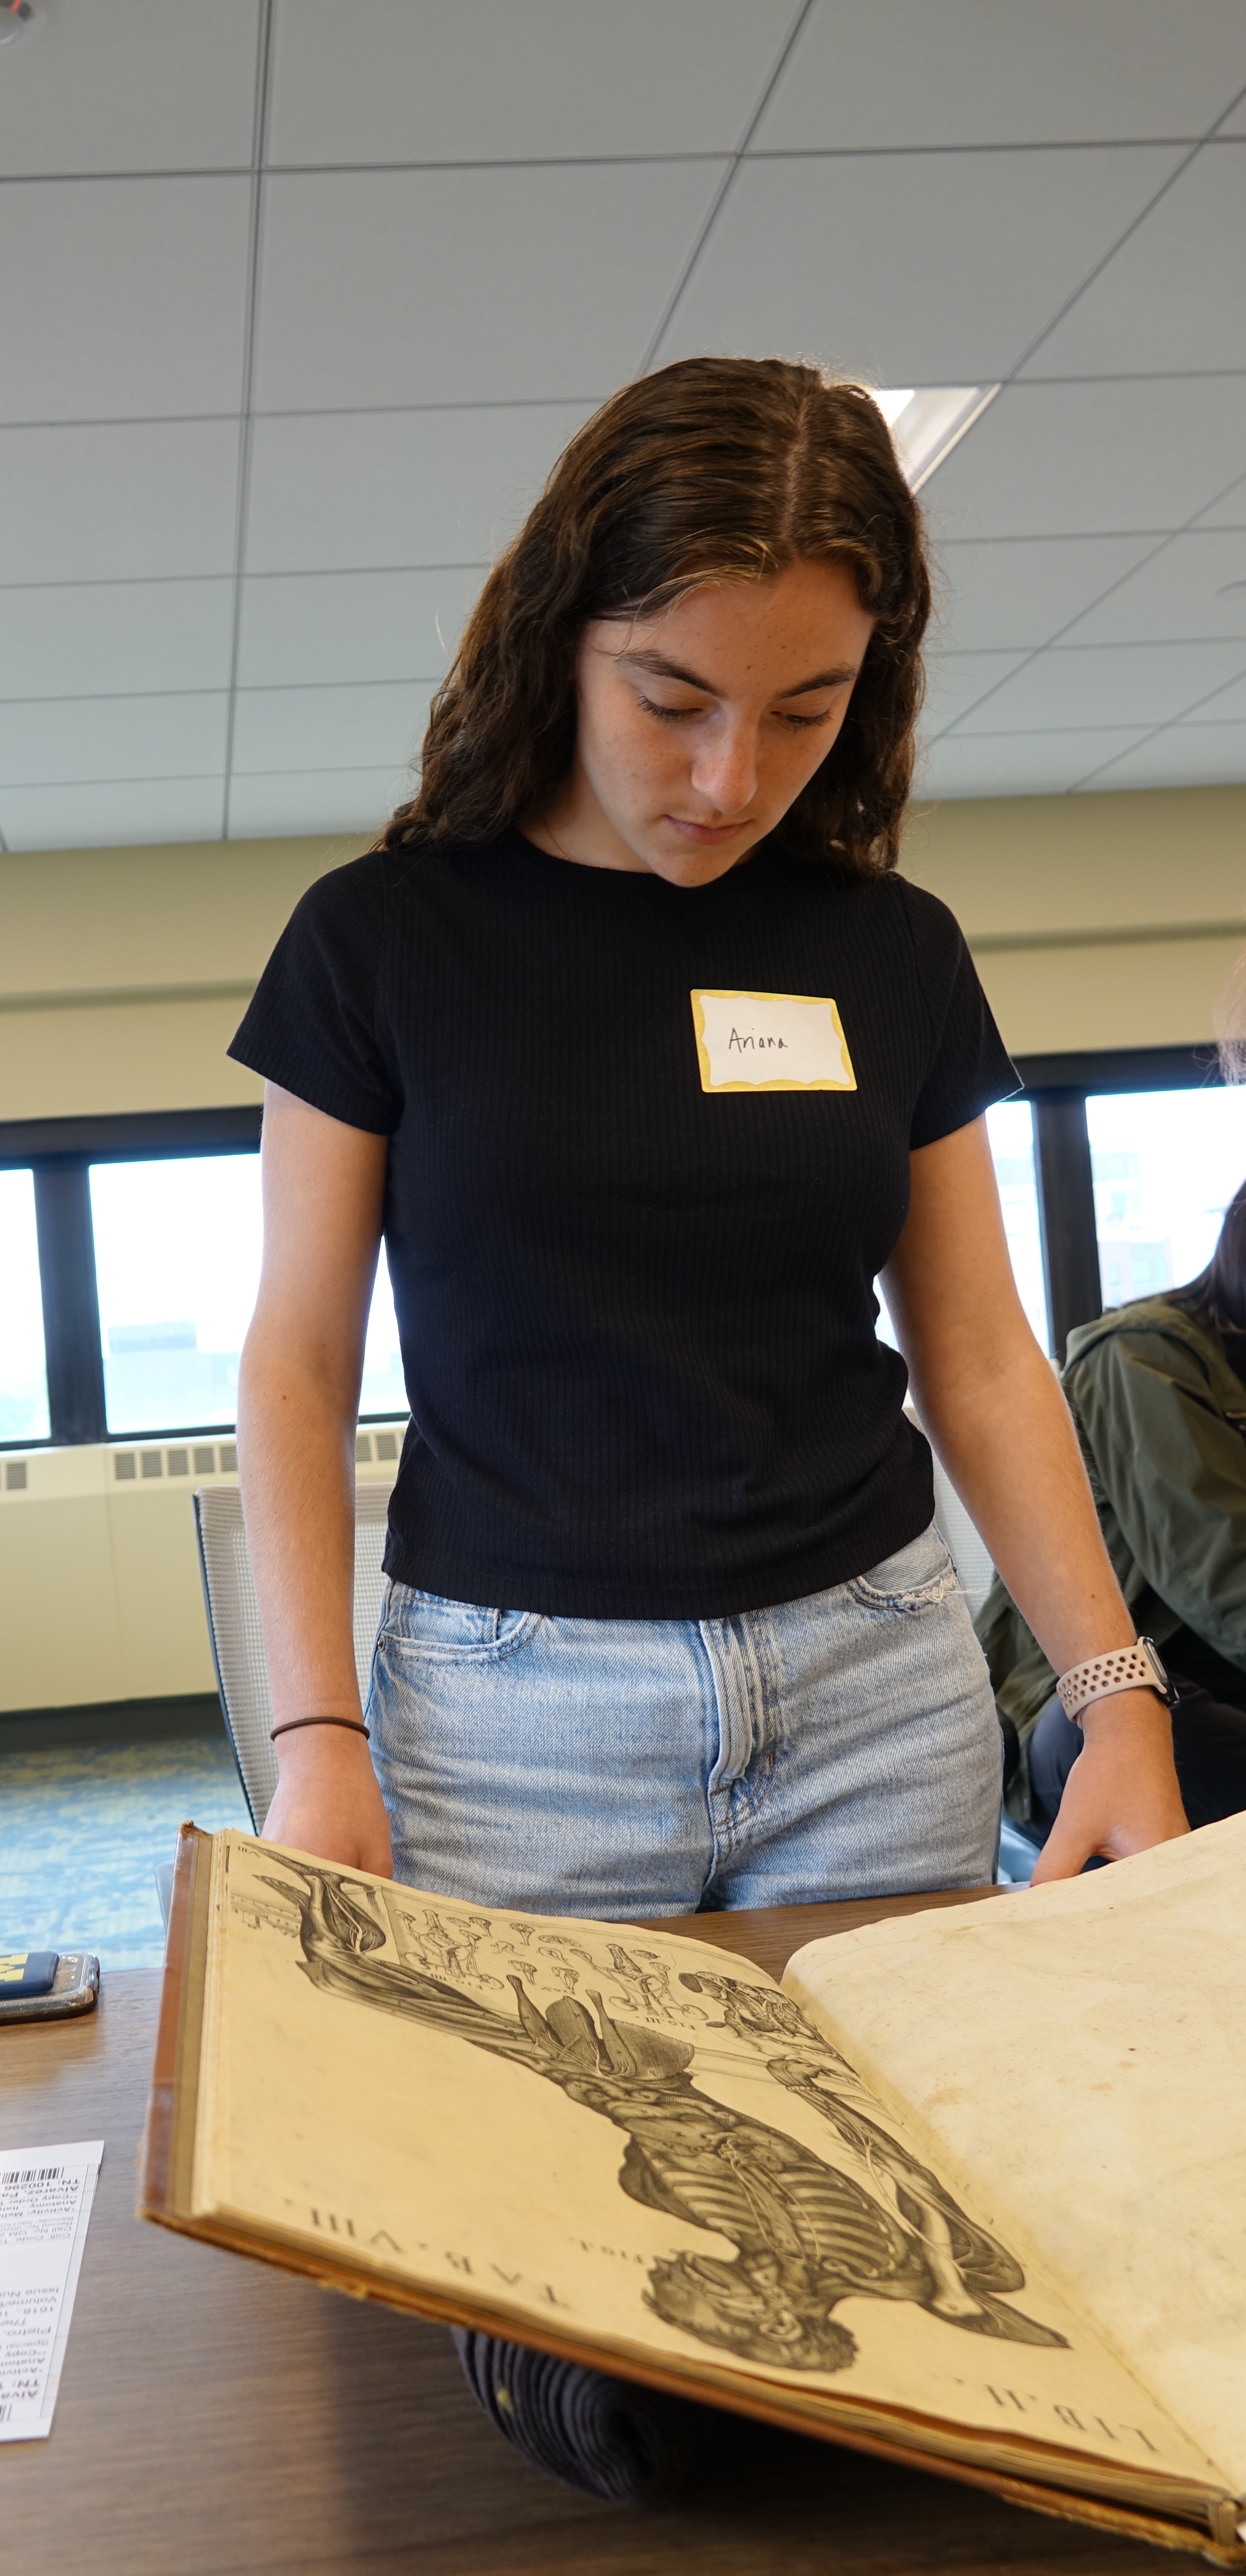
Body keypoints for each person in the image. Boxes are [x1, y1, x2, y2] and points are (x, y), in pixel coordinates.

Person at [231, 355, 1186, 1919]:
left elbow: (982, 1352)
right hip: (513, 1715)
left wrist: (1115, 1688)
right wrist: (319, 1728)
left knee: (886, 2148)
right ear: (560, 642)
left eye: (806, 710)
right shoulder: (380, 943)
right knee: (553, 2151)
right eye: (672, 700)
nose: (730, 777)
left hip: (876, 1684)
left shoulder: (892, 949)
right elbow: (298, 1360)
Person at [981, 1174, 1246, 1837]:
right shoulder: (1141, 1354)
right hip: (1096, 1698)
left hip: (1224, 1677)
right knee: (1181, 1733)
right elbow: (1223, 1577)